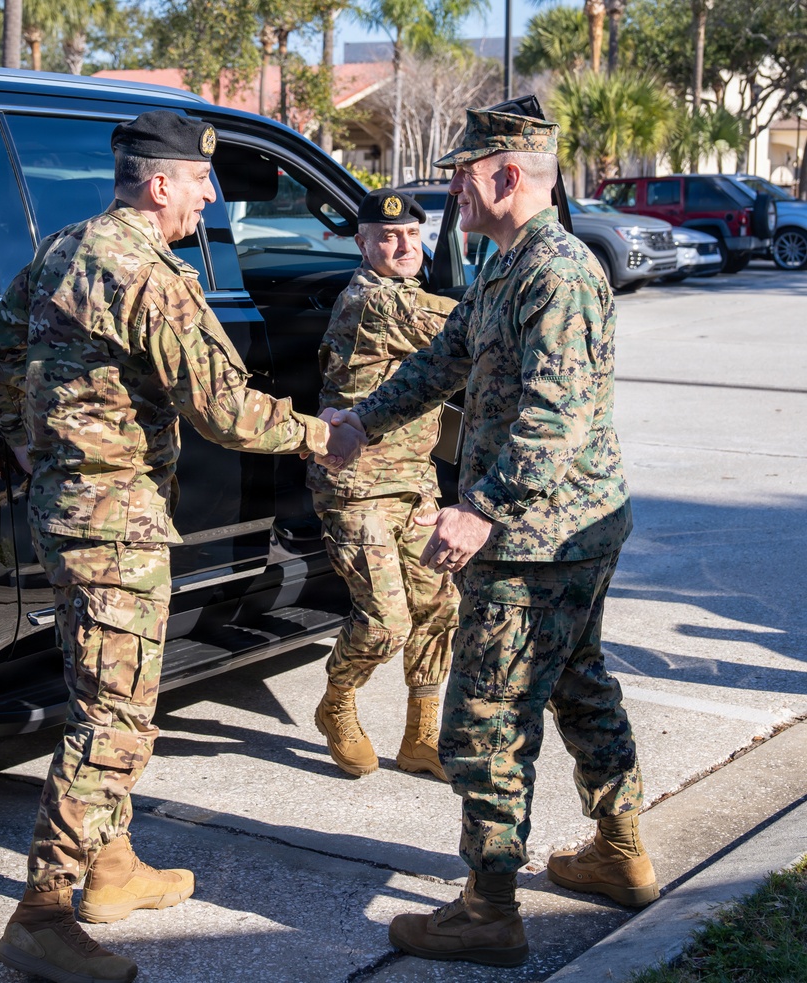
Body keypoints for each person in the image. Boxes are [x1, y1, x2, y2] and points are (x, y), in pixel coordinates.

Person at [0, 110, 365, 983]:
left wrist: (28, 436)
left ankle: (110, 870)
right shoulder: (151, 274)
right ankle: (40, 912)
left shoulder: (69, 246)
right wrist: (320, 435)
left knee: (93, 684)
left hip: (64, 510)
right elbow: (225, 410)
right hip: (117, 526)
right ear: (159, 185)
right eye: (197, 181)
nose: (208, 195)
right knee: (117, 720)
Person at [326, 109, 658, 966]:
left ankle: (489, 905)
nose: (451, 191)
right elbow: (445, 358)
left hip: (536, 539)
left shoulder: (559, 273)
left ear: (506, 176)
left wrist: (481, 507)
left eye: (461, 174)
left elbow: (557, 413)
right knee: (577, 682)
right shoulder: (506, 266)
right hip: (557, 530)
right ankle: (619, 853)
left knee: (488, 715)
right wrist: (362, 421)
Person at [308, 188, 459, 781]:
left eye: (413, 236)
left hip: (413, 481)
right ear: (362, 243)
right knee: (385, 620)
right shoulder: (372, 303)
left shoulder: (406, 293)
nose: (403, 246)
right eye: (388, 236)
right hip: (357, 486)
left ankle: (420, 736)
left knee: (438, 605)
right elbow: (459, 328)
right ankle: (337, 704)